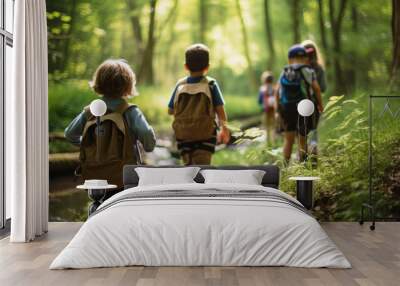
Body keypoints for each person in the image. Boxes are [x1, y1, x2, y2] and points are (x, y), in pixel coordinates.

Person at [65, 59, 156, 196]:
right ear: (127, 86)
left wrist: (89, 146)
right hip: (125, 177)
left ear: (99, 84)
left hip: (94, 177)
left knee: (97, 206)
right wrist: (149, 147)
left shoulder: (90, 111)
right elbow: (145, 133)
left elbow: (70, 134)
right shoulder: (130, 111)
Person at [168, 43, 230, 165]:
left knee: (188, 169)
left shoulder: (180, 85)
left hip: (183, 136)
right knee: (203, 168)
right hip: (206, 135)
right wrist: (225, 129)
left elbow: (170, 110)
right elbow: (220, 110)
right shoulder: (211, 84)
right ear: (207, 67)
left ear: (186, 66)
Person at [274, 44, 323, 164]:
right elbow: (316, 88)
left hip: (286, 108)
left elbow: (276, 91)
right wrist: (320, 104)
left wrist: (277, 108)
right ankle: (303, 165)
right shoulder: (308, 70)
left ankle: (284, 167)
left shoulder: (285, 71)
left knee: (288, 139)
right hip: (303, 107)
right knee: (302, 138)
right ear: (306, 58)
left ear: (289, 59)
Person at [302, 40, 327, 161]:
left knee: (302, 134)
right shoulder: (319, 68)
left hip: (298, 105)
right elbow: (323, 88)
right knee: (313, 132)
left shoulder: (298, 69)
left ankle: (302, 160)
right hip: (314, 104)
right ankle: (314, 158)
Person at [258, 71, 276, 145]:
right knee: (273, 127)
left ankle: (268, 143)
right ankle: (273, 141)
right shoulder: (275, 88)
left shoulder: (262, 89)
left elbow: (259, 101)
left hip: (265, 111)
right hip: (273, 110)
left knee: (267, 127)